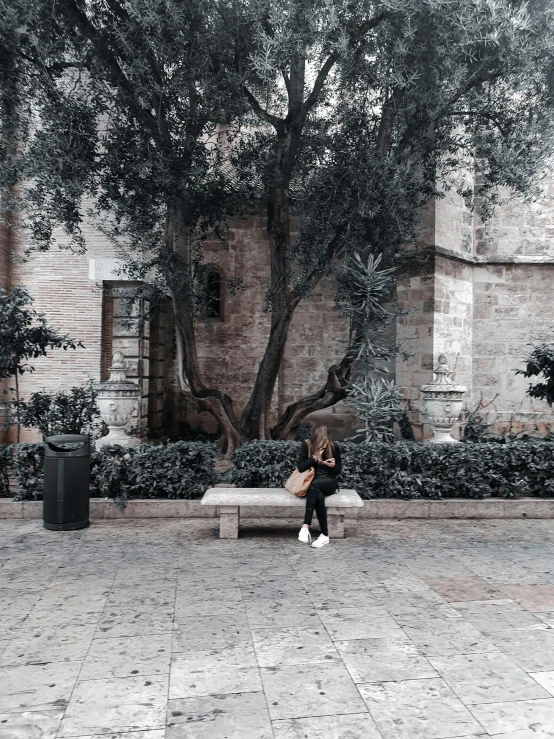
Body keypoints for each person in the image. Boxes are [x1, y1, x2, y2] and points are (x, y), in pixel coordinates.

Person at [296, 425, 342, 548]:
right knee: (319, 497)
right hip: (312, 484)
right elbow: (300, 468)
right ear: (315, 440)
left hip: (329, 483)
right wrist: (314, 457)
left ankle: (305, 526)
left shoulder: (333, 447)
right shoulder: (307, 445)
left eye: (326, 442)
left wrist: (333, 466)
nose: (324, 445)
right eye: (321, 442)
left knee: (316, 486)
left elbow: (338, 470)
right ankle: (325, 535)